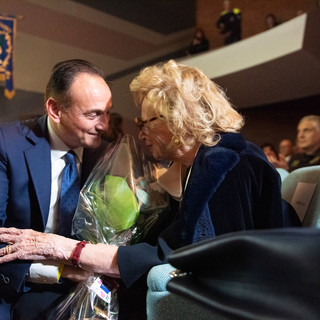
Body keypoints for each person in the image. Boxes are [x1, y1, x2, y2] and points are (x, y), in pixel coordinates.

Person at [0, 60, 300, 320]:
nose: (139, 133)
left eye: (146, 122)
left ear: (177, 116)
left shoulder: (228, 163)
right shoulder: (194, 165)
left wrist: (70, 249)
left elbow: (183, 257)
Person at [0, 59, 112, 319]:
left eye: (107, 112)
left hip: (84, 292)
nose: (104, 125)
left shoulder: (107, 156)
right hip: (14, 287)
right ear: (55, 109)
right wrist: (57, 271)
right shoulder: (7, 144)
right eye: (92, 114)